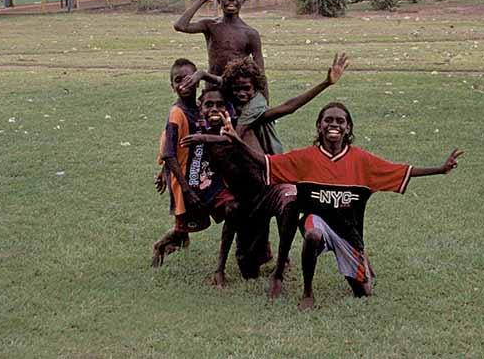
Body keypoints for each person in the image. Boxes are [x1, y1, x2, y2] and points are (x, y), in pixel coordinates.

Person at [222, 101, 463, 310]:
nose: (333, 124)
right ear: (319, 126)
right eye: (328, 120)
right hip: (316, 223)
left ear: (348, 128)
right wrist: (236, 140)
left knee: (364, 292)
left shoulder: (362, 161)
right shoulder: (305, 158)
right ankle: (307, 292)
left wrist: (439, 170)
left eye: (340, 121)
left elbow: (401, 170)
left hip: (348, 232)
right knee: (313, 235)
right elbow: (266, 162)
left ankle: (362, 256)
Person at [180, 53, 349, 296]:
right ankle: (229, 265)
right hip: (246, 199)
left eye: (247, 89)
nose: (241, 94)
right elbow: (184, 150)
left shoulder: (254, 116)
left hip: (269, 187)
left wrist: (326, 83)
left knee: (290, 199)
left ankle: (279, 270)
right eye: (236, 90)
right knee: (248, 267)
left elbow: (289, 107)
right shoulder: (219, 116)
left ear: (256, 89)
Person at [150, 60, 238, 273]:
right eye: (178, 80)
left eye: (189, 78)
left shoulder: (201, 107)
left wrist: (205, 75)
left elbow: (227, 88)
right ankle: (161, 246)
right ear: (172, 86)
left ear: (197, 81)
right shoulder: (177, 113)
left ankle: (221, 265)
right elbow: (168, 151)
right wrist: (182, 186)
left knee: (232, 208)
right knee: (186, 227)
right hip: (185, 183)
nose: (184, 83)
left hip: (207, 178)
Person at [173, 0, 267, 99]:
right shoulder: (210, 25)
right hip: (213, 91)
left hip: (236, 91)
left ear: (243, 0)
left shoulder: (250, 34)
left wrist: (265, 106)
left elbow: (260, 74)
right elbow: (180, 25)